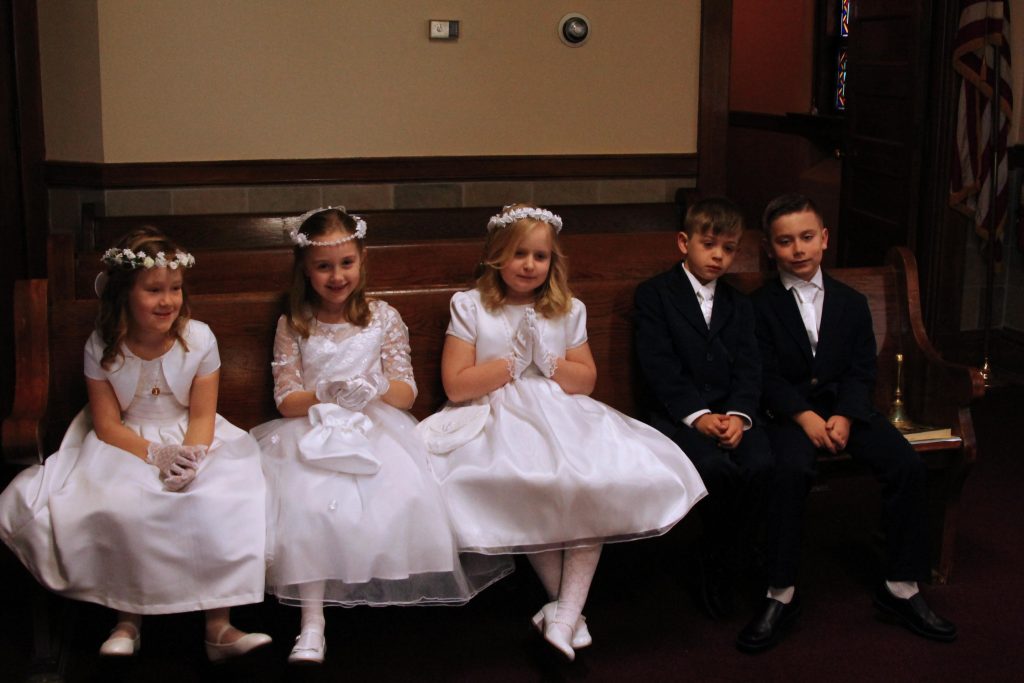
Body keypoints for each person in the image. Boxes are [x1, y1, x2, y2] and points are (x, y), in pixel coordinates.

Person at [423, 204, 706, 661]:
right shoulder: (472, 305)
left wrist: (549, 362)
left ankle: (564, 612)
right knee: (535, 484)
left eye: (541, 256)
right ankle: (570, 613)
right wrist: (511, 363)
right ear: (497, 256)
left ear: (553, 262)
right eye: (519, 254)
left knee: (584, 481)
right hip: (494, 416)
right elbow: (457, 385)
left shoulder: (567, 309)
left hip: (563, 412)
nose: (530, 265)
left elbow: (585, 380)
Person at [251, 207, 512, 665]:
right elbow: (286, 398)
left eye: (346, 263)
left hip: (377, 427)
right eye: (323, 266)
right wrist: (324, 393)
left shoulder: (383, 317)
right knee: (307, 502)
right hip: (312, 429)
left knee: (400, 493)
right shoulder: (293, 322)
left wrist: (373, 387)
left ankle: (388, 615)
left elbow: (406, 392)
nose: (337, 276)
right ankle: (312, 622)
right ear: (305, 269)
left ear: (362, 260)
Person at [0, 227, 271, 661]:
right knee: (124, 498)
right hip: (127, 439)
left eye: (175, 289)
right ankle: (127, 619)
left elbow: (202, 414)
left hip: (192, 434)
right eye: (154, 290)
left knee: (220, 495)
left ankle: (219, 625)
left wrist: (190, 458)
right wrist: (156, 455)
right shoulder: (102, 345)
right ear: (126, 292)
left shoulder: (199, 338)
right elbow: (106, 424)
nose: (167, 300)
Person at [739, 193, 957, 652]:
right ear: (769, 248)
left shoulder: (851, 302)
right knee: (790, 471)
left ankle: (902, 586)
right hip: (789, 413)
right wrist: (804, 416)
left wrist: (843, 414)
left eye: (806, 238)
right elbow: (764, 374)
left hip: (847, 409)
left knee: (905, 465)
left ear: (824, 239)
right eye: (785, 241)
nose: (797, 249)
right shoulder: (757, 306)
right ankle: (780, 591)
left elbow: (861, 368)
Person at [633, 197, 772, 620]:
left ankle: (742, 553)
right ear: (683, 242)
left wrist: (739, 416)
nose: (718, 256)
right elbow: (658, 366)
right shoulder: (655, 295)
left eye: (728, 248)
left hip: (732, 415)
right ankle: (715, 560)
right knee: (715, 470)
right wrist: (699, 415)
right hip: (677, 416)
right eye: (709, 244)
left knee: (763, 464)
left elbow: (750, 366)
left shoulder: (739, 304)